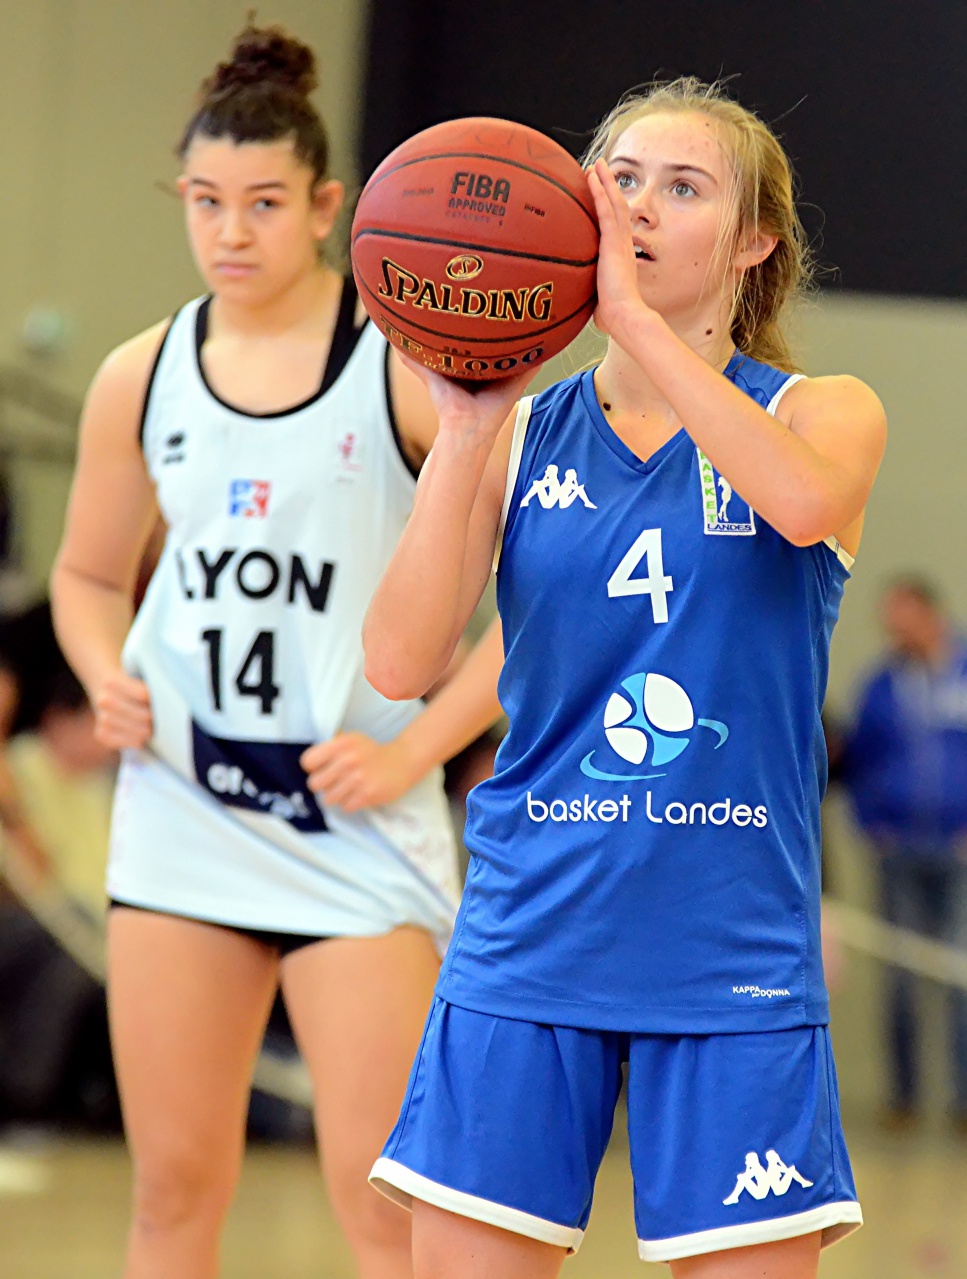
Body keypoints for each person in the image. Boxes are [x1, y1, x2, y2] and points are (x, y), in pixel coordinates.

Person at [363, 78, 887, 1278]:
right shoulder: (525, 433)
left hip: (730, 956)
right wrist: (464, 427)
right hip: (527, 937)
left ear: (753, 242)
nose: (640, 208)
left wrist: (629, 320)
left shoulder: (823, 412)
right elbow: (398, 663)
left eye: (683, 187)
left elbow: (801, 507)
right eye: (621, 180)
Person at [50, 23, 502, 1279]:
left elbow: (535, 611)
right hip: (184, 806)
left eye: (259, 203)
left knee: (384, 1207)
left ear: (325, 206)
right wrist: (102, 671)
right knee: (171, 1193)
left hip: (356, 822)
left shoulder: (404, 372)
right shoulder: (139, 374)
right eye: (204, 202)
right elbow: (85, 574)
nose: (229, 232)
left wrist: (416, 742)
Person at [841, 576, 967, 1131]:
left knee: (958, 974)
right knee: (902, 981)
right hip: (898, 852)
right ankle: (905, 1099)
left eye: (903, 616)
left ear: (929, 613)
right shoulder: (881, 687)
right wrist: (873, 825)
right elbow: (857, 764)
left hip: (958, 852)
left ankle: (964, 1100)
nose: (894, 629)